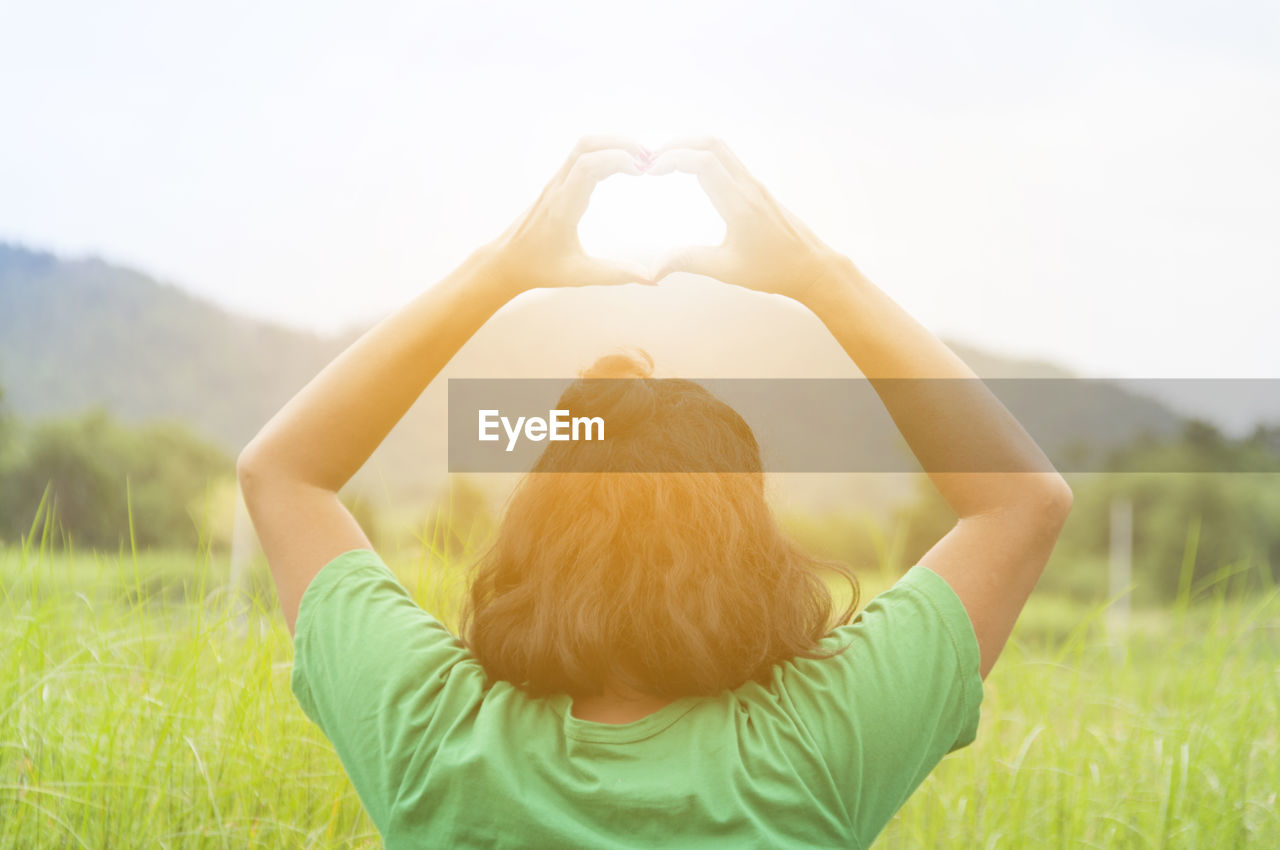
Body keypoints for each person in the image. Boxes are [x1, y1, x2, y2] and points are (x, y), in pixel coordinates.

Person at [237, 136, 1073, 848]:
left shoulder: (437, 736)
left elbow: (283, 474)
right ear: (748, 551)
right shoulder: (814, 746)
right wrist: (818, 275)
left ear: (535, 537)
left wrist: (498, 272)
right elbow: (1021, 500)